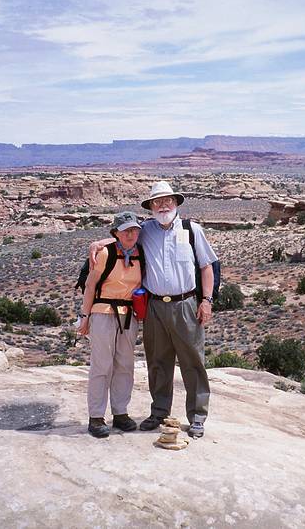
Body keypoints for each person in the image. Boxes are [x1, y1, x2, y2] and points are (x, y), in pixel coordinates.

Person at [90, 181, 217, 438]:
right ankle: (159, 412)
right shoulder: (145, 230)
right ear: (150, 207)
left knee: (193, 362)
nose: (163, 205)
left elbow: (206, 267)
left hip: (186, 305)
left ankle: (197, 416)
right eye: (157, 202)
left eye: (167, 200)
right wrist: (99, 243)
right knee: (158, 362)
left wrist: (207, 301)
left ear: (176, 202)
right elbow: (124, 238)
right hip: (155, 306)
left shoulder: (192, 230)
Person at [78, 211, 143, 438]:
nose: (131, 234)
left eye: (135, 230)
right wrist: (84, 317)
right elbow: (90, 286)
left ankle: (120, 412)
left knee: (125, 365)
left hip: (128, 315)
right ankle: (96, 416)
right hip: (102, 313)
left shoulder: (140, 252)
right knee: (102, 365)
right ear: (116, 232)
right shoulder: (105, 253)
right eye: (126, 230)